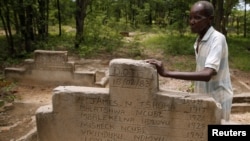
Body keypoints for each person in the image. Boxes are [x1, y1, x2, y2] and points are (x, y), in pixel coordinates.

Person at [146, 0, 233, 122]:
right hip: (203, 96)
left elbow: (207, 74)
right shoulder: (199, 40)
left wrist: (167, 73)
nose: (192, 22)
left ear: (210, 19)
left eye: (197, 18)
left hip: (218, 98)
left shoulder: (217, 39)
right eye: (190, 18)